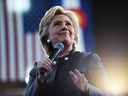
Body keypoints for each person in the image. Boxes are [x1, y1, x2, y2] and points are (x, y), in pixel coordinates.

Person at [24, 6, 113, 96]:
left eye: (68, 24)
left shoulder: (89, 59)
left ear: (74, 35)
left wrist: (87, 90)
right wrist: (40, 80)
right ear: (47, 37)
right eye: (57, 24)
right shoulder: (38, 68)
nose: (64, 27)